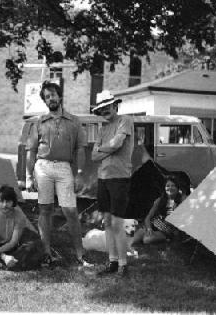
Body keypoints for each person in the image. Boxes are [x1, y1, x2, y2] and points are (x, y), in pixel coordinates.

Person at [25, 80, 90, 266]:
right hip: (43, 166)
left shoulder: (74, 121)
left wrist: (79, 174)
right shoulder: (39, 122)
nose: (50, 98)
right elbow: (31, 151)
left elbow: (80, 149)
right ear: (45, 101)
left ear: (59, 96)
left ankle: (80, 255)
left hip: (64, 167)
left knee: (70, 210)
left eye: (52, 94)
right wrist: (29, 176)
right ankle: (46, 254)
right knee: (45, 209)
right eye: (46, 97)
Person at [91, 90, 134, 277]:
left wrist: (102, 149)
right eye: (101, 108)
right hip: (103, 179)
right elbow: (93, 156)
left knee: (117, 223)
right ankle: (112, 262)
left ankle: (124, 265)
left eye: (107, 106)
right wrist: (106, 149)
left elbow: (117, 144)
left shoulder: (125, 121)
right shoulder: (102, 129)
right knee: (107, 221)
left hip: (120, 178)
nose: (105, 110)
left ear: (115, 105)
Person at [132, 175, 186, 245]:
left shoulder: (182, 201)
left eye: (173, 186)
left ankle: (164, 239)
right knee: (133, 240)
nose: (170, 188)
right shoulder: (160, 200)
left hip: (165, 231)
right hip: (152, 225)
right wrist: (149, 228)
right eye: (168, 186)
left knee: (147, 240)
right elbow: (148, 217)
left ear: (177, 188)